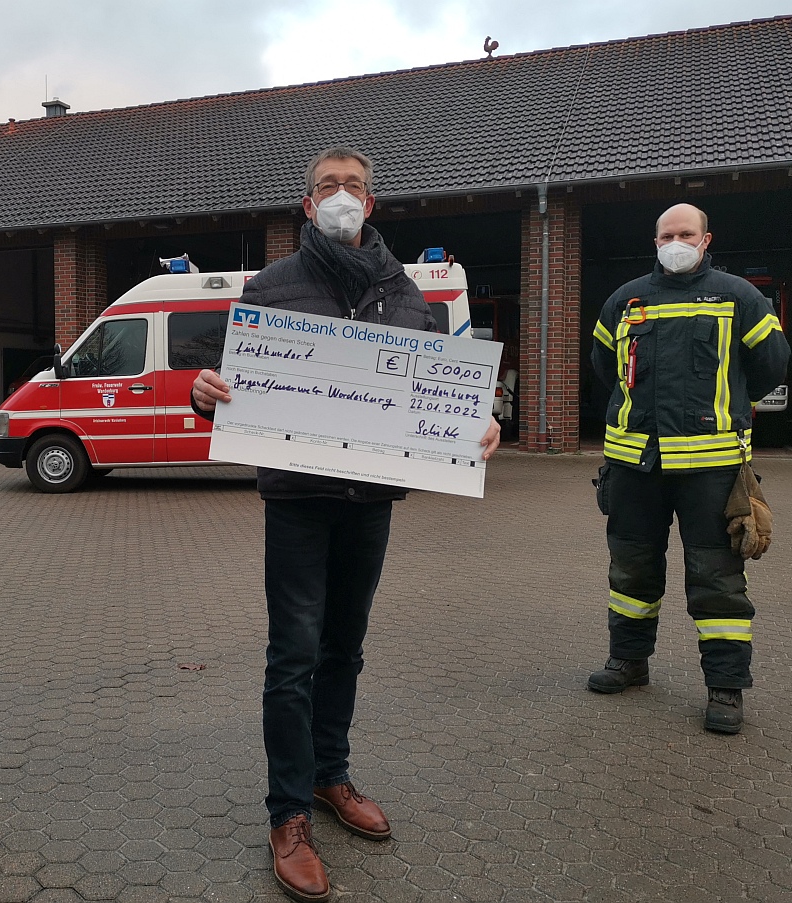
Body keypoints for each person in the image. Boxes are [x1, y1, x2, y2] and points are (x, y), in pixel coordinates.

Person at [192, 147, 501, 902]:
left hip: (372, 499)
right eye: (327, 186)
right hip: (298, 497)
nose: (341, 196)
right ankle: (287, 812)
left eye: (353, 186)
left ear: (373, 204)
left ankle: (331, 776)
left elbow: (436, 393)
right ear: (307, 205)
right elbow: (226, 385)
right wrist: (206, 394)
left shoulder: (408, 297)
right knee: (293, 655)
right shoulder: (271, 286)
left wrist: (474, 423)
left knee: (345, 648)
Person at [586, 203, 788, 734]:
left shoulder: (738, 296)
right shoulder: (624, 300)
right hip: (634, 464)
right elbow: (604, 368)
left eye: (686, 234)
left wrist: (730, 406)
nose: (676, 242)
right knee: (631, 571)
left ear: (705, 240)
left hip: (712, 469)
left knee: (717, 578)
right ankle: (628, 662)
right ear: (655, 241)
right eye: (667, 234)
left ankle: (726, 687)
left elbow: (771, 365)